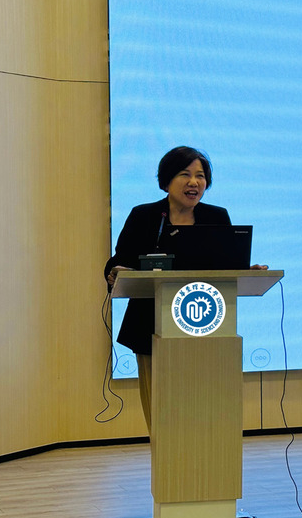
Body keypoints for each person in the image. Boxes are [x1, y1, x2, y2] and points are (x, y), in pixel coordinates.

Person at [104, 146, 266, 432]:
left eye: (200, 176)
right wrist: (117, 270)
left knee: (203, 410)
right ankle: (167, 459)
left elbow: (226, 266)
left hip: (207, 330)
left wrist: (244, 272)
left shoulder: (217, 217)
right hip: (151, 326)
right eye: (185, 174)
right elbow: (119, 261)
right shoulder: (144, 216)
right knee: (161, 412)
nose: (194, 182)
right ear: (166, 180)